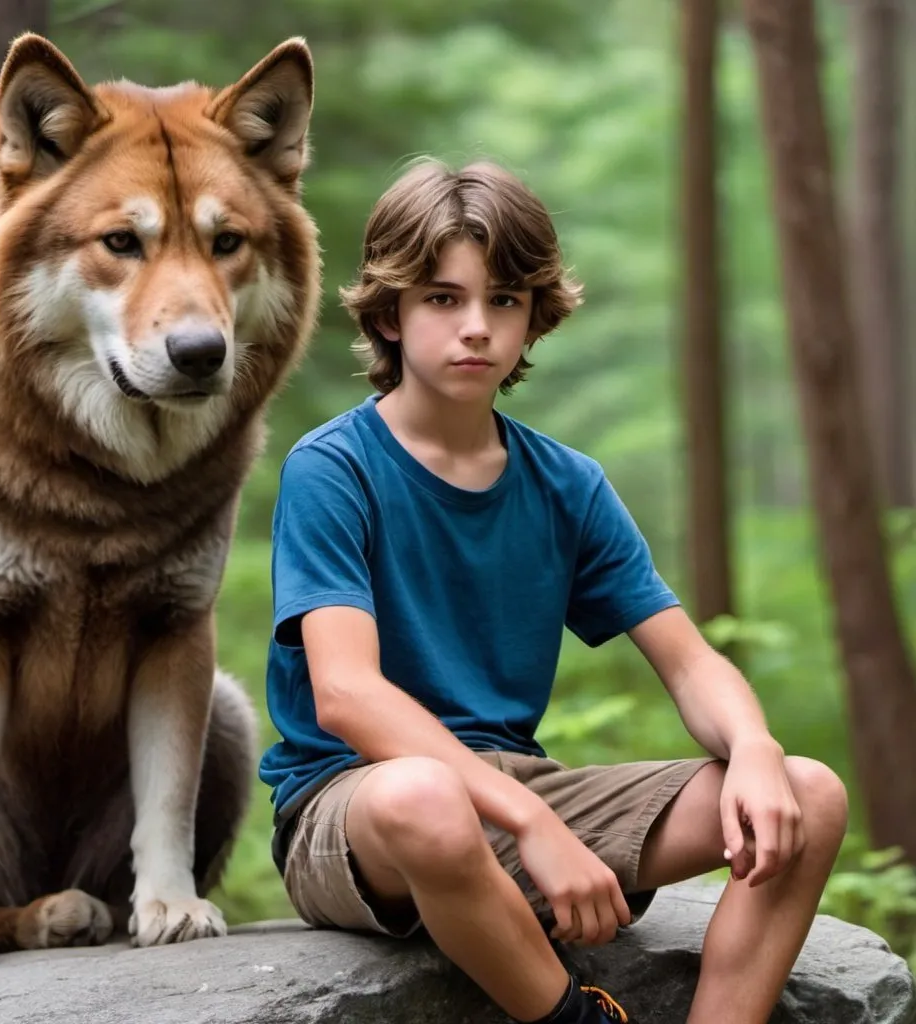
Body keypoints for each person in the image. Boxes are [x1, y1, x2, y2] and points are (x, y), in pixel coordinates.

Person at [258, 158, 848, 1024]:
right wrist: (536, 829)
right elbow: (348, 696)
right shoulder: (332, 468)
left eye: (503, 300)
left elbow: (689, 665)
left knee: (811, 793)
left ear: (535, 315)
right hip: (357, 808)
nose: (476, 327)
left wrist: (754, 748)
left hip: (512, 787)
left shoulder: (567, 484)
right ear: (390, 312)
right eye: (442, 298)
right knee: (425, 796)